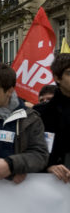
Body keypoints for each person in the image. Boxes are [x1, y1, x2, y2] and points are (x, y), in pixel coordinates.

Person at [34, 53, 70, 184]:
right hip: (53, 183)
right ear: (57, 77)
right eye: (69, 73)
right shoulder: (40, 113)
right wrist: (49, 166)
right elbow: (33, 149)